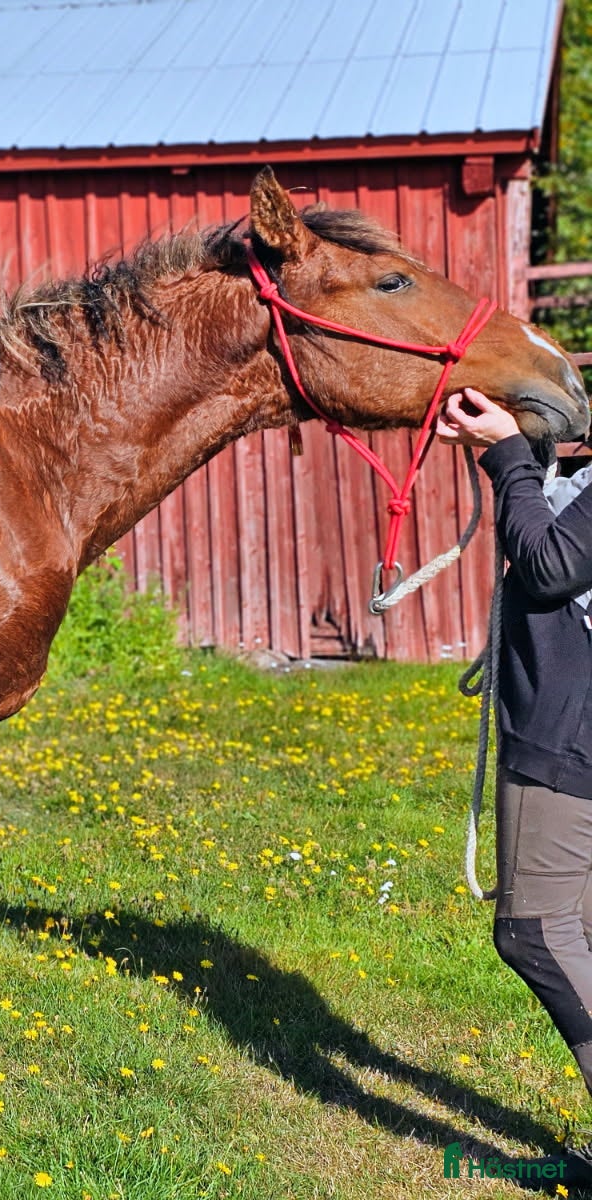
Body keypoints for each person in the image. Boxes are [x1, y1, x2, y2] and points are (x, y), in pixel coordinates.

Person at [438, 386, 592, 1183]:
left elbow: (553, 563)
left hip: (566, 748)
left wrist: (505, 460)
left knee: (533, 933)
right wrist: (523, 455)